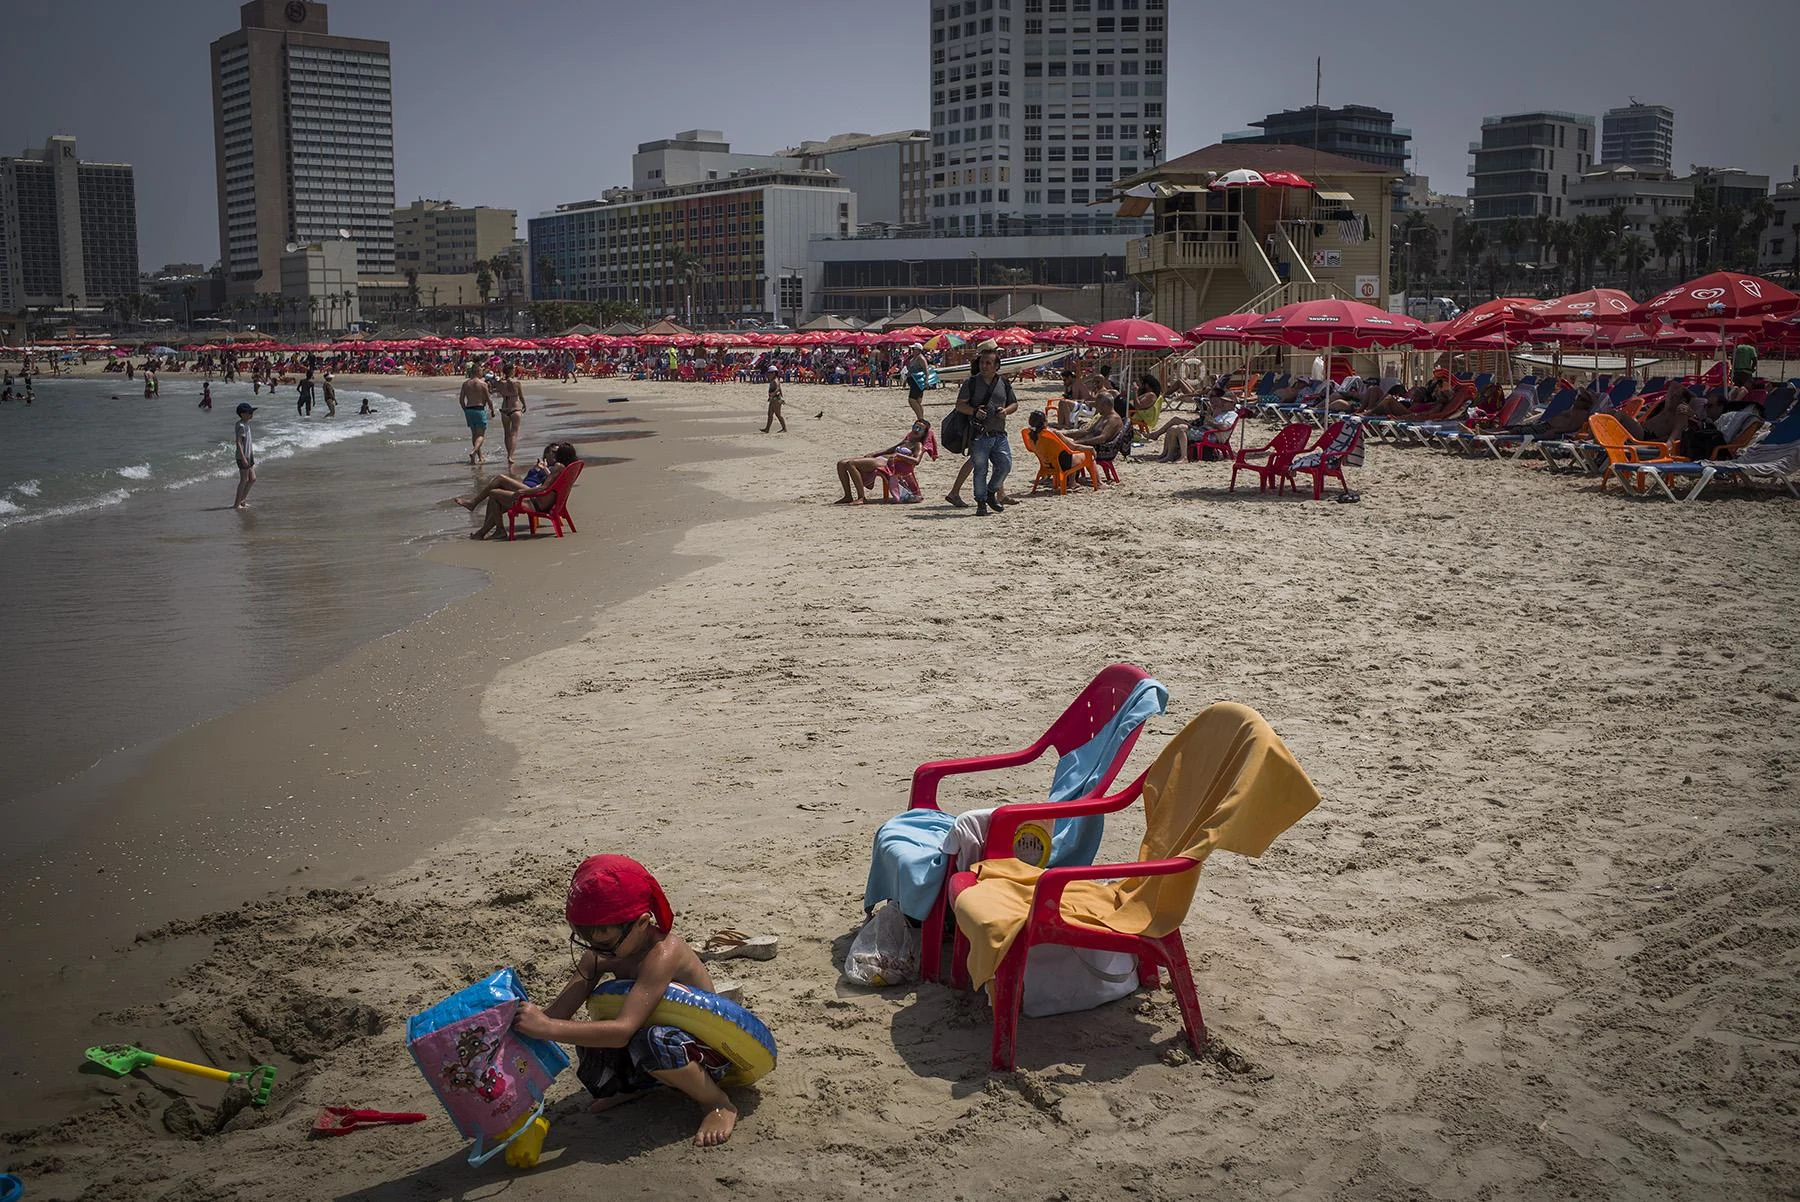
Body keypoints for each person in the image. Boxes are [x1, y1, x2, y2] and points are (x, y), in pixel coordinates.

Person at [512, 855, 739, 1147]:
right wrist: (519, 1024)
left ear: (643, 923)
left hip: (706, 1053)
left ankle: (717, 1103)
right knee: (589, 1035)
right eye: (586, 938)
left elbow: (622, 1032)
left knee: (651, 1039)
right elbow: (558, 1014)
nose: (596, 949)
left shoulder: (663, 954)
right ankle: (635, 1086)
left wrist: (546, 1027)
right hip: (656, 1043)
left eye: (605, 942)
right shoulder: (599, 954)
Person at [468, 443, 579, 539]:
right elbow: (548, 487)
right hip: (544, 501)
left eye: (557, 452)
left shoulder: (558, 467)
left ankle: (496, 531)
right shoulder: (568, 468)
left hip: (536, 503)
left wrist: (522, 492)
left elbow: (544, 488)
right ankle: (488, 531)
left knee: (494, 494)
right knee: (498, 490)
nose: (555, 454)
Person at [956, 345, 1017, 516]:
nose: (985, 366)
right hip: (979, 434)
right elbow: (960, 405)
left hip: (999, 433)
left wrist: (1006, 411)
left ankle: (991, 493)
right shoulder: (972, 382)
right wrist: (974, 411)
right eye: (983, 363)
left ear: (997, 366)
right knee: (980, 470)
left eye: (989, 363)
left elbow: (1014, 403)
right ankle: (981, 502)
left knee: (1005, 465)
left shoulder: (1003, 382)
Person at [835, 422, 928, 504]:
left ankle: (861, 497)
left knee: (851, 464)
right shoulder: (907, 441)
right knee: (841, 463)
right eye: (915, 427)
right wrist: (874, 453)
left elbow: (916, 461)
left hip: (890, 464)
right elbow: (889, 450)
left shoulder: (918, 445)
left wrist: (899, 456)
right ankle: (848, 496)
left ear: (924, 433)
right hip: (881, 459)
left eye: (920, 429)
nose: (916, 430)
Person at [459, 367, 495, 464]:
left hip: (469, 410)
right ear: (477, 372)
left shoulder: (466, 384)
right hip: (479, 409)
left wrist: (465, 410)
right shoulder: (483, 384)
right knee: (481, 435)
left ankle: (479, 457)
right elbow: (488, 399)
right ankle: (474, 451)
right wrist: (492, 410)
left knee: (474, 434)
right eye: (481, 371)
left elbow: (461, 400)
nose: (482, 373)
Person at [494, 362, 527, 459]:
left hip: (505, 409)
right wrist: (524, 404)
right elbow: (521, 396)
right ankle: (510, 456)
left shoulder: (500, 383)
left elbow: (496, 388)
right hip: (515, 408)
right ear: (512, 371)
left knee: (507, 433)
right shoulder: (516, 383)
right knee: (514, 433)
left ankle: (508, 453)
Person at [232, 403, 257, 509]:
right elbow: (238, 443)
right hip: (243, 456)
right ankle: (236, 505)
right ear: (242, 414)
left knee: (253, 478)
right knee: (244, 480)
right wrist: (243, 458)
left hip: (248, 455)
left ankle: (242, 501)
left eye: (252, 412)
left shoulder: (246, 424)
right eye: (249, 413)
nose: (252, 414)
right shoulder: (241, 426)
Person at [903, 342, 929, 421]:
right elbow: (909, 371)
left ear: (918, 350)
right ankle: (921, 418)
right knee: (917, 401)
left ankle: (920, 418)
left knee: (912, 400)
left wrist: (926, 381)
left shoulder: (920, 358)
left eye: (913, 349)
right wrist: (905, 381)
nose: (912, 350)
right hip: (913, 382)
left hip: (918, 382)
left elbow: (926, 369)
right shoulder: (912, 358)